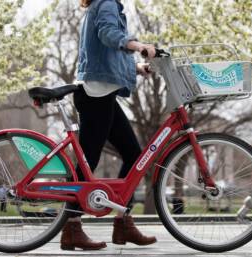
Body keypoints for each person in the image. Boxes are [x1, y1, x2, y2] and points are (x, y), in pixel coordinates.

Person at [60, 0, 157, 250]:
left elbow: (106, 54)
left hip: (102, 94)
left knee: (134, 156)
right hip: (96, 97)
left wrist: (136, 68)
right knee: (87, 161)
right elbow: (109, 34)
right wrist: (139, 45)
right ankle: (71, 228)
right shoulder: (106, 2)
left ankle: (123, 222)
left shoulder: (103, 4)